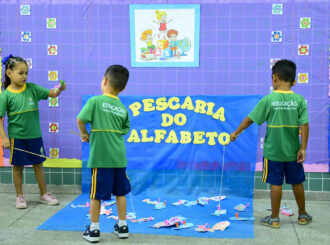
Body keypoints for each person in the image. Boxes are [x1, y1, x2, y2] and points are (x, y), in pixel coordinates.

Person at [230, 59, 312, 228]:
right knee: (297, 182)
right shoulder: (299, 100)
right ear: (293, 80)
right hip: (293, 152)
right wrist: (303, 148)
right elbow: (305, 125)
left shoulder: (268, 100)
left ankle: (274, 219)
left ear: (274, 77)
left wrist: (236, 133)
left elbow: (250, 120)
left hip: (273, 153)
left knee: (276, 183)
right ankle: (302, 215)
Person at [0, 54, 66, 209]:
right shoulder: (5, 96)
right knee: (18, 167)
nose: (25, 76)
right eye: (21, 73)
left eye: (26, 73)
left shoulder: (33, 88)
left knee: (38, 164)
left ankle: (44, 194)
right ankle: (19, 196)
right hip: (17, 138)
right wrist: (4, 138)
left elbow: (51, 93)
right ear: (9, 73)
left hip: (35, 136)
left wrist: (60, 89)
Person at [77, 65, 131, 243]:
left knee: (96, 195)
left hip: (100, 159)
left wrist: (84, 134)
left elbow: (80, 119)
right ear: (122, 88)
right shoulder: (123, 108)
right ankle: (122, 226)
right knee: (120, 193)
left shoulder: (95, 101)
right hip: (119, 159)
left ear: (105, 81)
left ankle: (94, 230)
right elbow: (124, 131)